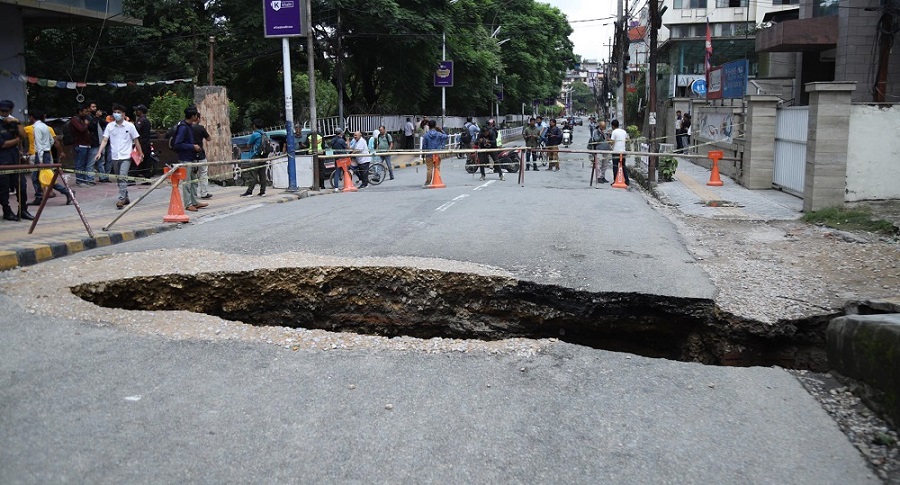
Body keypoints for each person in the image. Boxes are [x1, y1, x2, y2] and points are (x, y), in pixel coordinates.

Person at [94, 103, 143, 209]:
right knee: (119, 178)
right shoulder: (110, 126)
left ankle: (120, 199)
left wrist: (140, 152)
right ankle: (125, 196)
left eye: (119, 112)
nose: (116, 114)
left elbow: (136, 140)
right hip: (115, 156)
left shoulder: (130, 126)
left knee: (123, 176)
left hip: (126, 156)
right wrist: (99, 152)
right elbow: (105, 140)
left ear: (124, 114)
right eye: (115, 112)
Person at [25, 110, 72, 206]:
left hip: (40, 154)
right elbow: (51, 141)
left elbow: (38, 144)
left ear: (32, 117)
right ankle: (39, 196)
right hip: (46, 153)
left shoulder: (36, 128)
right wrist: (47, 148)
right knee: (38, 177)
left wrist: (41, 159)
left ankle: (66, 192)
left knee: (45, 177)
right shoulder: (46, 127)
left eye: (30, 117)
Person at [0, 99, 32, 221]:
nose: (4, 113)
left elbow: (24, 136)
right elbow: (3, 144)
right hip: (3, 161)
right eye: (2, 111)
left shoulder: (12, 122)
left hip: (15, 160)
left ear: (11, 110)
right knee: (3, 188)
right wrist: (17, 141)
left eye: (6, 111)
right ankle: (7, 211)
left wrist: (17, 122)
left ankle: (23, 209)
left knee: (22, 186)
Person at [241, 119, 269, 197]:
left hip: (255, 156)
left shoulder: (255, 134)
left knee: (253, 174)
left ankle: (249, 192)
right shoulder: (265, 134)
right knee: (262, 174)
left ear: (254, 125)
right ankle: (263, 191)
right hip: (263, 156)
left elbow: (248, 145)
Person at [69, 105, 92, 187]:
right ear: (80, 112)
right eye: (85, 111)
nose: (87, 113)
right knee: (80, 164)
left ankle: (85, 179)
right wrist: (85, 124)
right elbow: (81, 129)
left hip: (86, 145)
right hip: (80, 145)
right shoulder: (75, 120)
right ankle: (80, 180)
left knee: (85, 164)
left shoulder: (82, 119)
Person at [421, 119, 448, 186]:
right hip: (437, 153)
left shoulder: (426, 135)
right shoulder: (439, 134)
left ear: (428, 126)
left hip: (429, 153)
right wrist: (441, 130)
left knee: (429, 169)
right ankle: (437, 179)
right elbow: (446, 136)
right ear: (435, 126)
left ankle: (428, 181)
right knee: (437, 167)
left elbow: (424, 146)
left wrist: (423, 154)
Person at [192, 114, 212, 199]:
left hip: (190, 155)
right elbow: (209, 138)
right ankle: (204, 193)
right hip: (200, 154)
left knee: (191, 175)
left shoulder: (186, 128)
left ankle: (192, 194)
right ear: (198, 118)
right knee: (203, 173)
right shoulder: (200, 128)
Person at [88, 102, 110, 182]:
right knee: (91, 162)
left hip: (100, 142)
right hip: (93, 143)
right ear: (88, 108)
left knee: (101, 161)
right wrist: (97, 117)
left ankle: (103, 177)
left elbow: (105, 123)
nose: (95, 109)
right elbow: (92, 126)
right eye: (93, 107)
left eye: (95, 107)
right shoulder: (89, 117)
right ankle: (90, 179)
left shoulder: (97, 118)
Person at [609, 119, 630, 186]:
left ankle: (615, 180)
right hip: (623, 151)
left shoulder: (614, 132)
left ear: (613, 126)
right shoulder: (624, 131)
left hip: (616, 151)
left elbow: (612, 142)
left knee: (615, 166)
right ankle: (627, 181)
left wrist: (608, 140)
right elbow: (627, 140)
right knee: (623, 166)